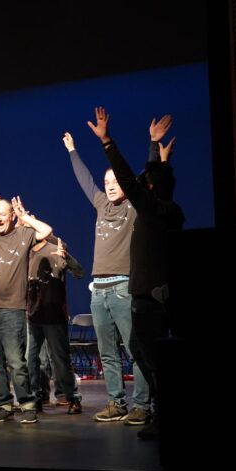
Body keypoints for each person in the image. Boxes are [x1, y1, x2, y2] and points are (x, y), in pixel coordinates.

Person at [87, 107, 184, 439]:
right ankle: (156, 413)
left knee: (148, 357)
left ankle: (155, 412)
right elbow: (149, 181)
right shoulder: (172, 210)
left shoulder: (150, 208)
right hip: (154, 293)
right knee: (148, 356)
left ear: (150, 187)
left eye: (148, 182)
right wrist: (156, 154)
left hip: (143, 295)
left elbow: (131, 179)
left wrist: (107, 142)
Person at [63, 120, 163, 425]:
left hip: (123, 287)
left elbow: (145, 178)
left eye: (115, 181)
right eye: (106, 182)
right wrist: (72, 151)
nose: (109, 185)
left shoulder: (134, 207)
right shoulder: (100, 204)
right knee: (107, 353)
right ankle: (116, 403)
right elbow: (85, 179)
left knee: (136, 351)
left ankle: (142, 405)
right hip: (99, 290)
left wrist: (152, 144)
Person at [0, 158, 53, 424]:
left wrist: (27, 219)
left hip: (12, 309)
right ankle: (3, 403)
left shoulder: (24, 235)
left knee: (16, 361)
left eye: (4, 214)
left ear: (12, 216)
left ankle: (26, 403)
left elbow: (47, 230)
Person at [26, 235, 84, 414]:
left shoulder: (55, 245)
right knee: (31, 359)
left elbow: (79, 272)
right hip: (32, 316)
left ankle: (72, 397)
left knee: (60, 359)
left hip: (54, 316)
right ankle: (35, 397)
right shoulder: (24, 251)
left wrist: (66, 257)